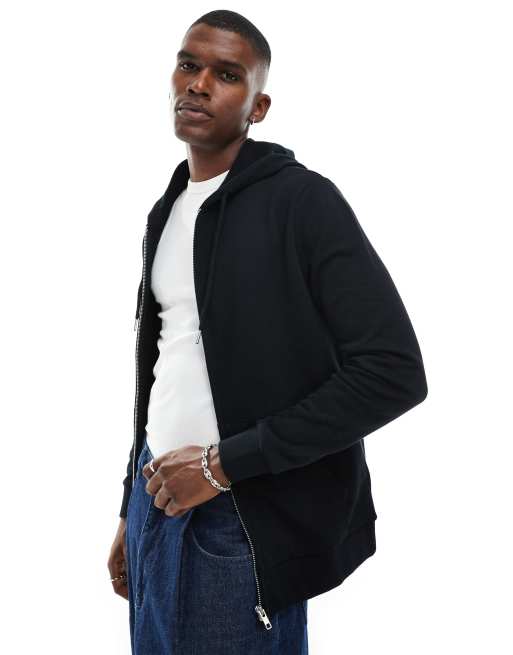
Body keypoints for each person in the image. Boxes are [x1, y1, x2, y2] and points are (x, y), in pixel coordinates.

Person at [108, 9, 428, 655]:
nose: (199, 83)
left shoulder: (303, 203)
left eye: (227, 75)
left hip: (240, 518)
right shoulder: (166, 210)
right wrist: (127, 507)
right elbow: (166, 367)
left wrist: (222, 466)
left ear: (258, 107)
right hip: (154, 502)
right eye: (188, 64)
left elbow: (392, 371)